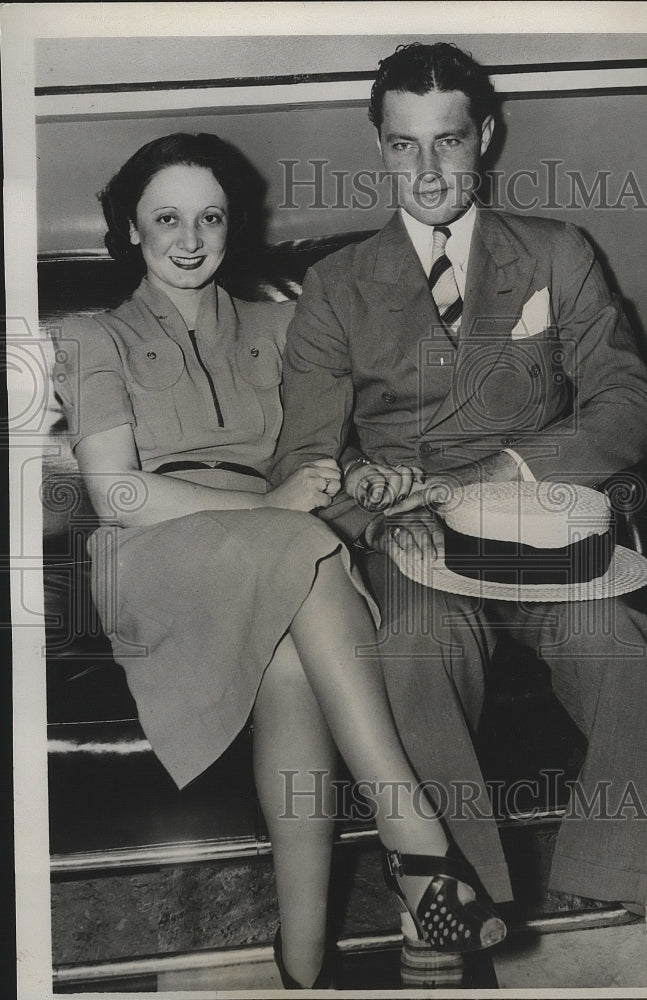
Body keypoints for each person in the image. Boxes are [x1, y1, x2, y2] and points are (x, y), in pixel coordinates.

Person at [52, 131, 511, 990]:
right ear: (129, 231)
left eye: (210, 218)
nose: (189, 240)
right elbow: (118, 494)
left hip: (281, 555)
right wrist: (273, 506)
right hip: (156, 555)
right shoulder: (91, 336)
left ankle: (303, 966)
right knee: (300, 545)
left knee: (296, 670)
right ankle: (417, 841)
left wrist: (369, 488)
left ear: (234, 225)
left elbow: (337, 446)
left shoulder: (284, 321)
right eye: (166, 220)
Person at [271, 43, 647, 988]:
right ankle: (449, 906)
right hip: (409, 545)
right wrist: (367, 513)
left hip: (537, 526)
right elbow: (301, 460)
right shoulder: (335, 287)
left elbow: (629, 403)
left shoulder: (558, 252)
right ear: (379, 147)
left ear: (483, 136)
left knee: (625, 650)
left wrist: (505, 467)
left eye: (448, 143)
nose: (431, 172)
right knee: (409, 643)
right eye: (405, 148)